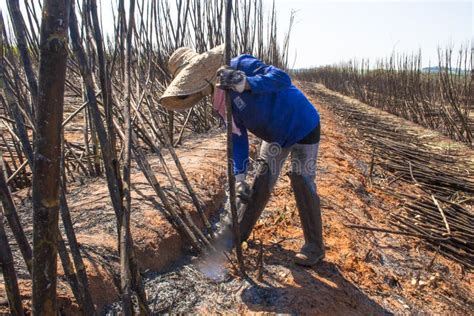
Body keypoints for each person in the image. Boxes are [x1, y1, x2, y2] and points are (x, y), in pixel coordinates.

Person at [160, 45, 324, 266]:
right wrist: (239, 177)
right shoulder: (220, 103)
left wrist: (245, 82)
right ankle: (238, 235)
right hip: (274, 137)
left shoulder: (240, 64)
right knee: (261, 180)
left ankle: (314, 247)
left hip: (301, 124)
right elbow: (238, 137)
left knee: (301, 179)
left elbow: (282, 78)